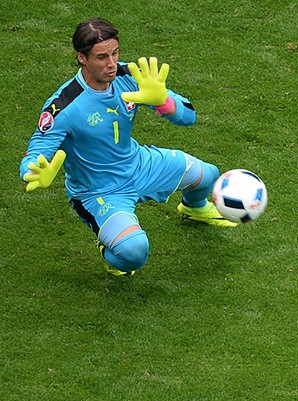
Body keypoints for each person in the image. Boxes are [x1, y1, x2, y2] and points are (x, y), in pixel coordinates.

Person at [19, 17, 235, 277]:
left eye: (115, 53)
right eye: (101, 57)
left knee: (209, 175)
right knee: (134, 252)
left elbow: (190, 116)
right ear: (82, 58)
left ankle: (193, 208)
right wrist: (33, 171)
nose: (111, 64)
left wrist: (164, 102)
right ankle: (109, 249)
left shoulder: (130, 76)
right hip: (98, 192)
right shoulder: (65, 105)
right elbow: (38, 148)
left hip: (139, 165)